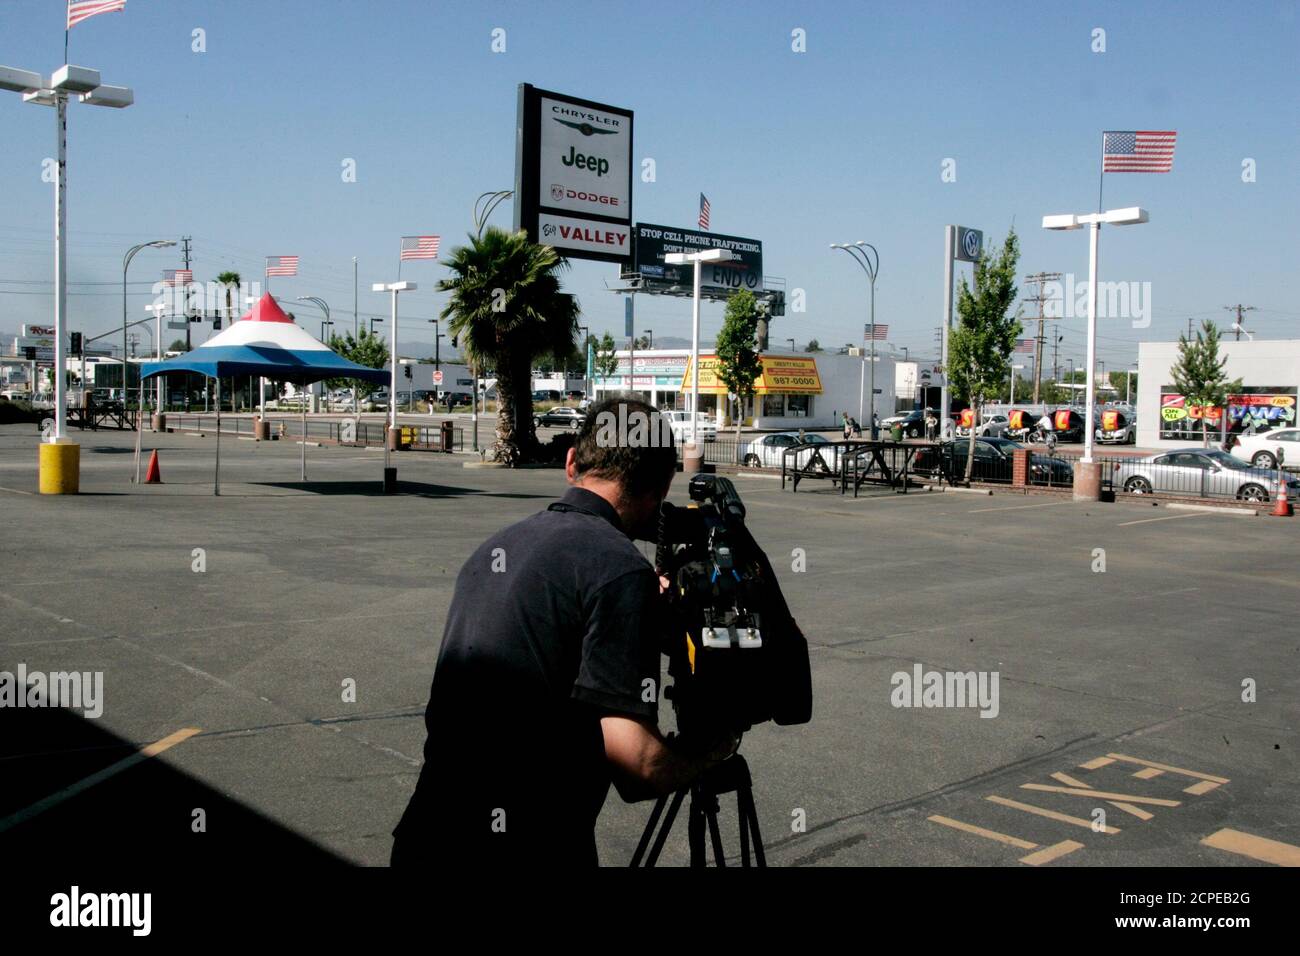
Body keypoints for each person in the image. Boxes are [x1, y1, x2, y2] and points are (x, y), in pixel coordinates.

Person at [391, 396, 737, 868]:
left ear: (572, 461)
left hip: (427, 835)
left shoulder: (497, 548)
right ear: (663, 486)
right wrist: (714, 750)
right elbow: (638, 767)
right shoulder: (620, 572)